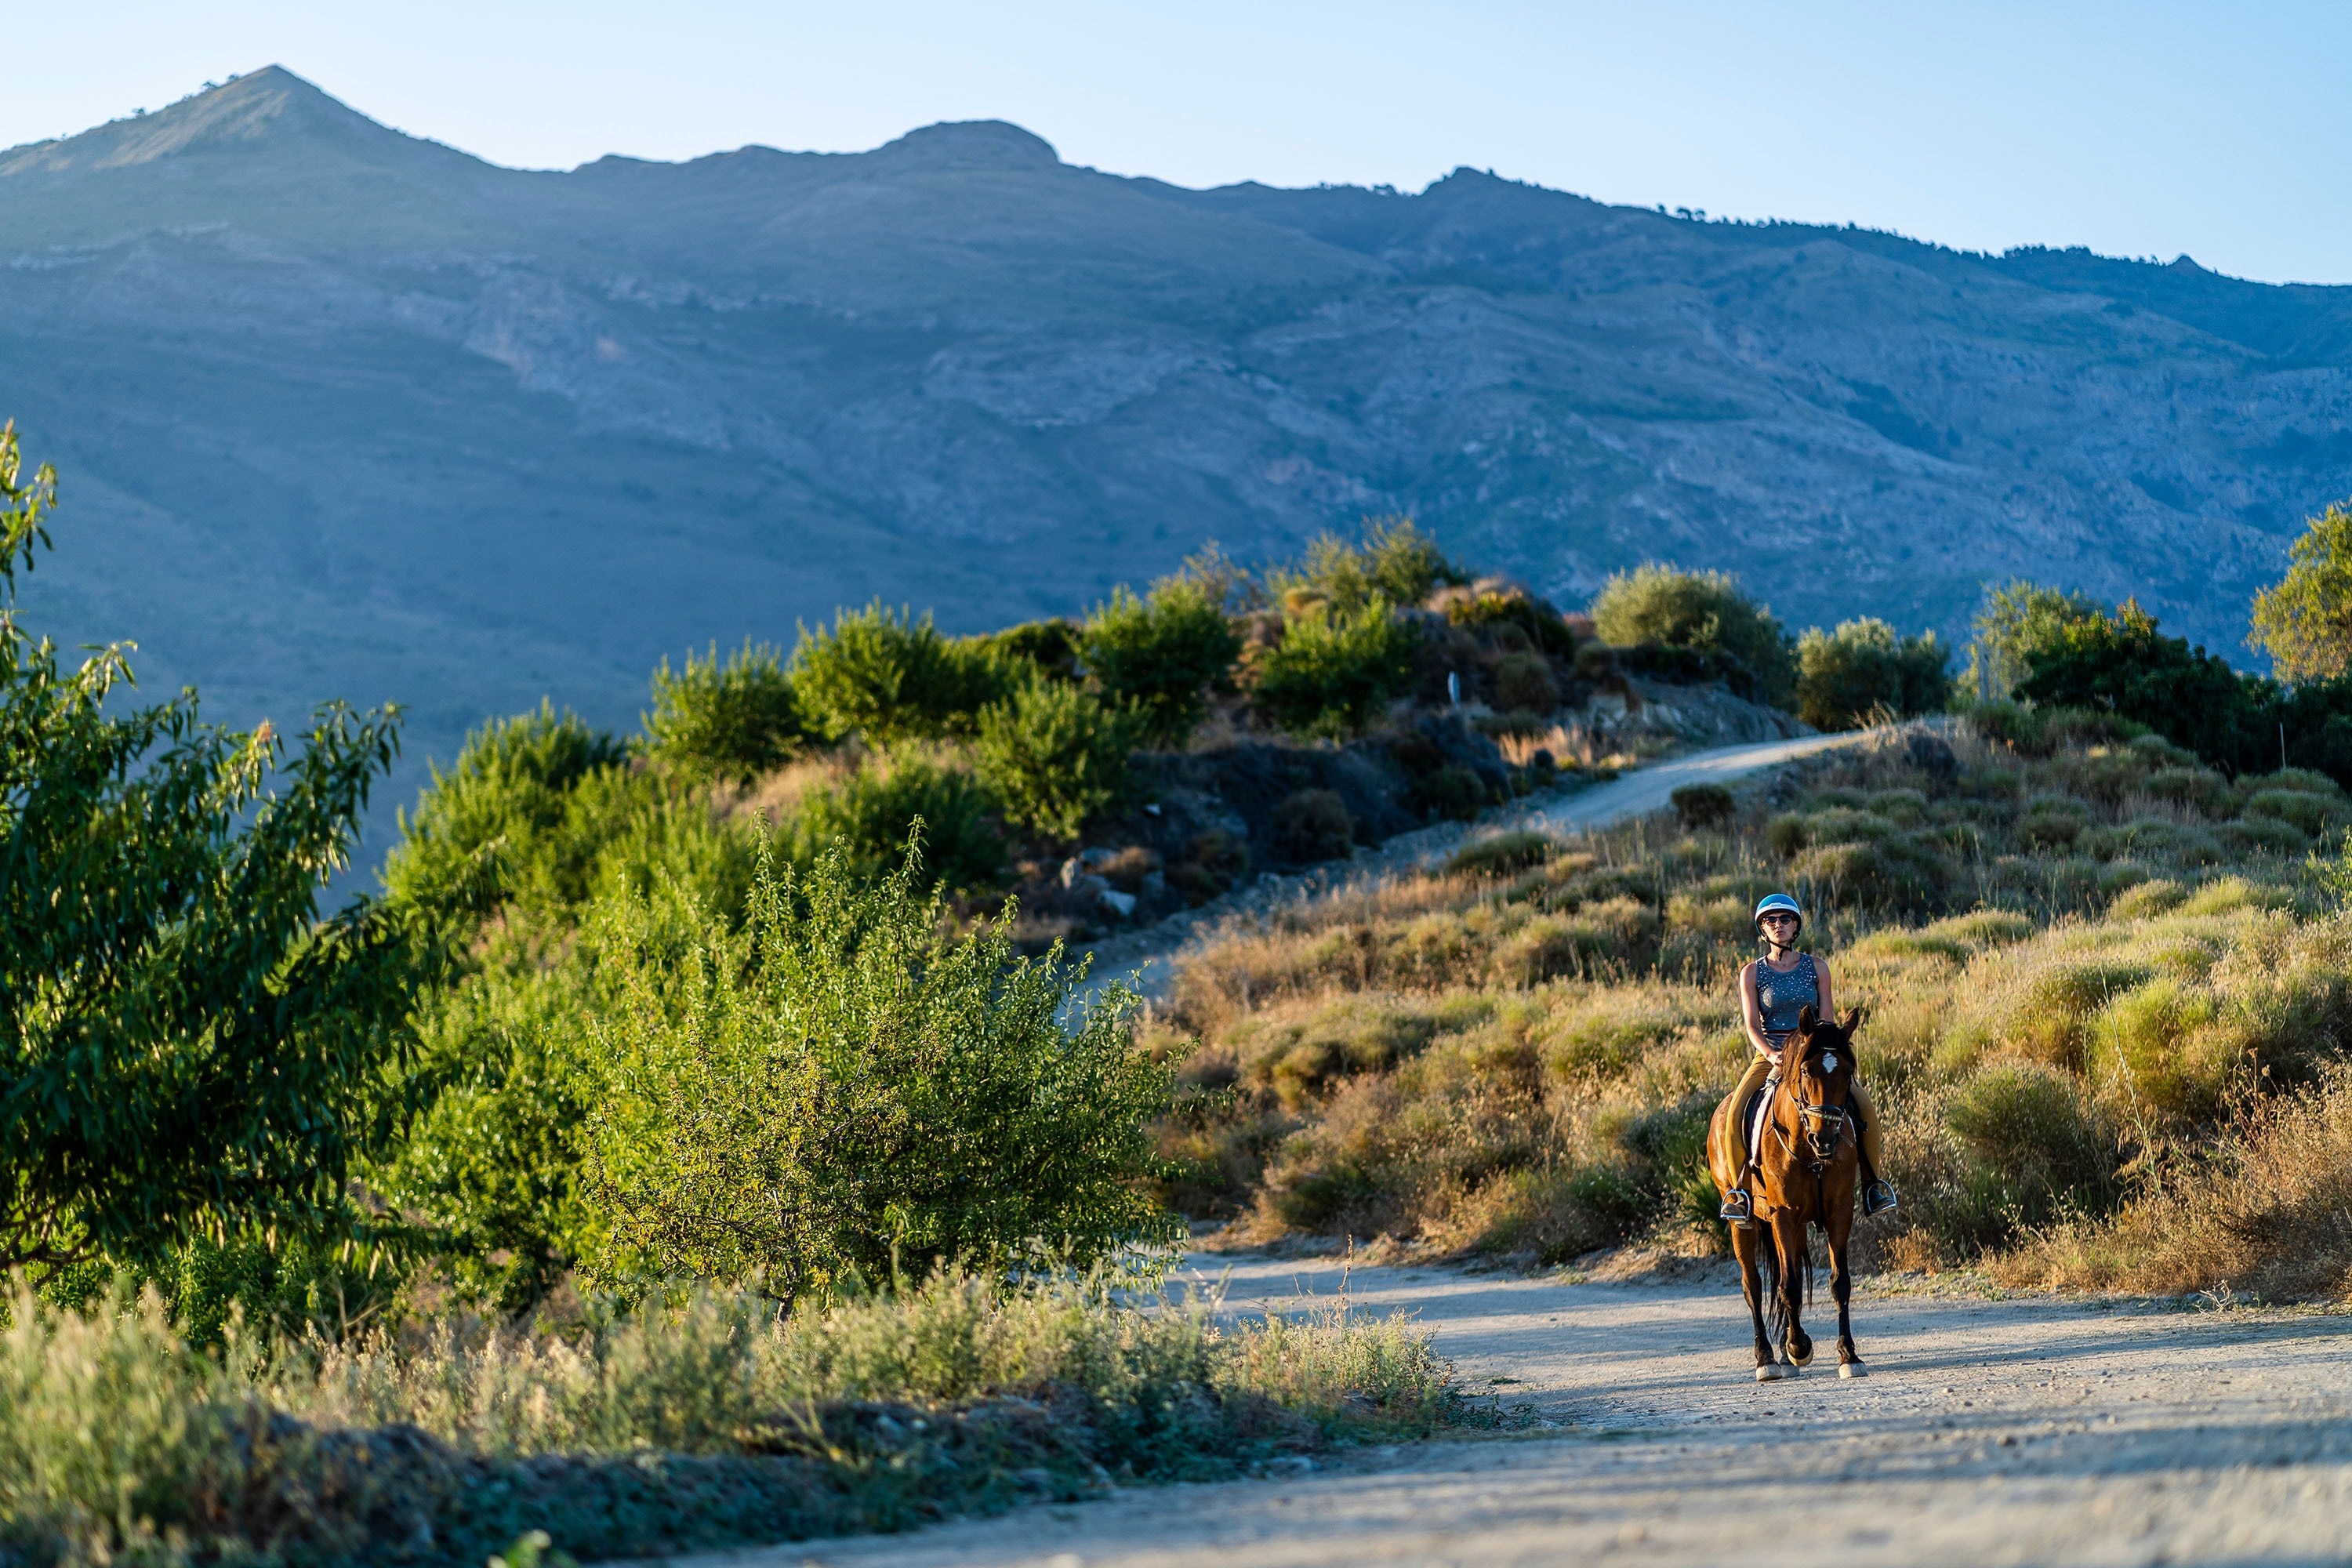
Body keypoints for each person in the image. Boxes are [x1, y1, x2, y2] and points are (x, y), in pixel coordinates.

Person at [1718, 892, 1897, 1222]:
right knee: (1736, 1112)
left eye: (1785, 919)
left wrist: (1826, 1050)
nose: (1778, 925)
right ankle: (1739, 1192)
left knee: (1864, 1106)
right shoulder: (1751, 973)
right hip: (1772, 1055)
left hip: (1814, 1056)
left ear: (1796, 925)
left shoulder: (1817, 967)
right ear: (1763, 929)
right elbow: (1751, 1026)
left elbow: (1826, 1019)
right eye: (1770, 921)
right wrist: (1771, 1053)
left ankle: (1874, 1185)